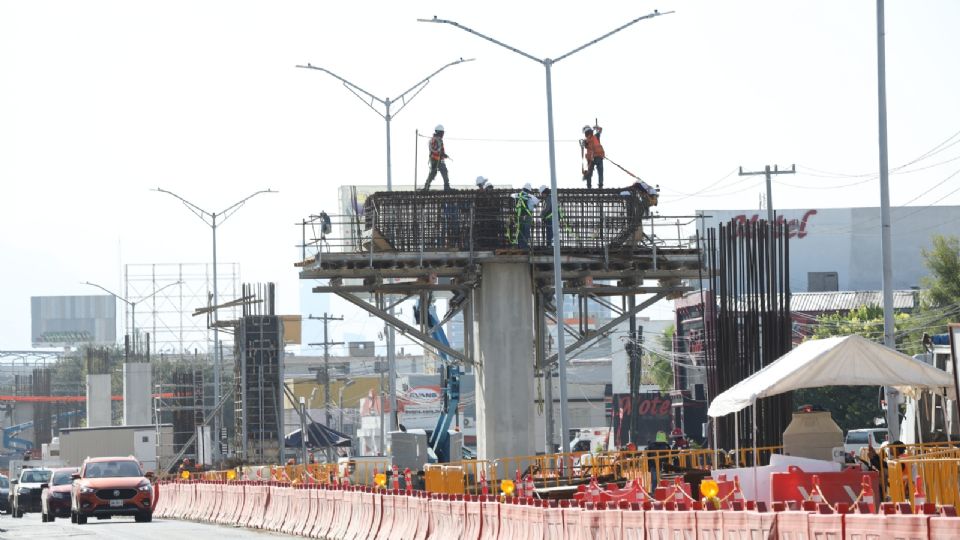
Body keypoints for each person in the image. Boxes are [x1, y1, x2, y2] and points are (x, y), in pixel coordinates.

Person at [423, 124, 450, 191]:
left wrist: (443, 154)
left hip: (437, 159)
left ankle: (427, 186)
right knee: (443, 171)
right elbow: (435, 150)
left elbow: (439, 150)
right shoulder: (435, 140)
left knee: (434, 172)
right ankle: (446, 187)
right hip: (436, 159)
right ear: (439, 132)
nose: (443, 134)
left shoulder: (437, 139)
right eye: (442, 132)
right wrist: (441, 154)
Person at [581, 124, 605, 189]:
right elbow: (600, 130)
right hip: (597, 156)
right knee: (600, 172)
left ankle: (589, 186)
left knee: (589, 173)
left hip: (591, 158)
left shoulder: (586, 140)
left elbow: (600, 130)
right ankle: (600, 185)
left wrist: (596, 128)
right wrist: (596, 127)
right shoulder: (595, 136)